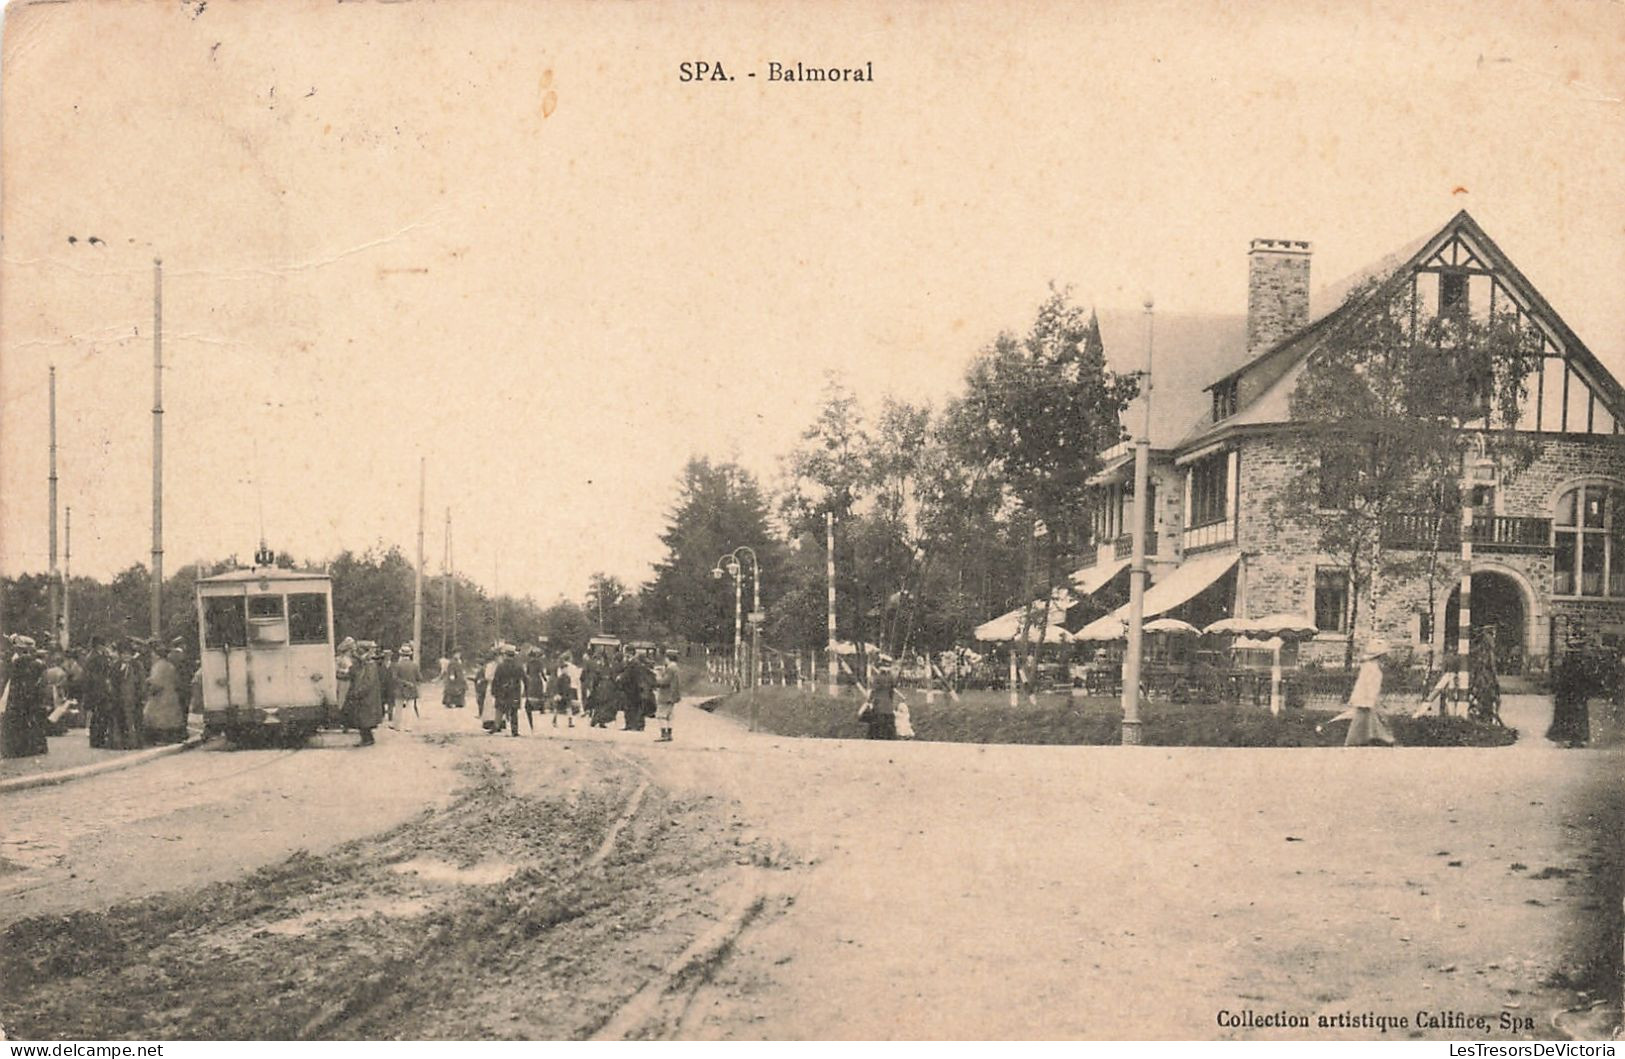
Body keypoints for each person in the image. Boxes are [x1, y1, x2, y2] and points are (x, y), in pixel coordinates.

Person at [1337, 639, 1396, 746]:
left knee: (1371, 723)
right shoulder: (1371, 668)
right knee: (1362, 724)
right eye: (1384, 654)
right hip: (1366, 701)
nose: (1385, 657)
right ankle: (1384, 741)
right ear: (1379, 655)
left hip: (1368, 701)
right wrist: (1369, 701)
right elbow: (1368, 686)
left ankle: (1382, 740)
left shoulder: (1371, 667)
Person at [1, 636, 49, 759]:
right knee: (29, 722)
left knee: (16, 723)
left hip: (16, 696)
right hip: (27, 696)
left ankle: (14, 748)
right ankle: (30, 747)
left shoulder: (16, 662)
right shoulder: (34, 663)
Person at [144, 646, 188, 745]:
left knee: (157, 718)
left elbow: (156, 683)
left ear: (157, 655)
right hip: (171, 694)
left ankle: (161, 739)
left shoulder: (157, 666)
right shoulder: (170, 665)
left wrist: (148, 687)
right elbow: (176, 680)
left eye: (153, 653)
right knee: (172, 718)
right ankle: (173, 737)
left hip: (160, 696)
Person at [82, 637, 120, 749]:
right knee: (100, 716)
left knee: (98, 716)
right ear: (99, 645)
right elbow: (98, 676)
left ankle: (97, 739)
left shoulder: (92, 656)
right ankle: (98, 740)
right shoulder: (97, 658)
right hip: (98, 692)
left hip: (95, 692)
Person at [346, 642, 383, 746]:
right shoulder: (366, 664)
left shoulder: (370, 665)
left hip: (367, 697)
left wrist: (358, 692)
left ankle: (367, 739)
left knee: (365, 719)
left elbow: (368, 682)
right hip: (365, 696)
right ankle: (367, 739)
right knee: (363, 719)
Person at [491, 643, 527, 738]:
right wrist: (526, 690)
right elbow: (525, 678)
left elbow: (496, 679)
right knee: (514, 711)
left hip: (502, 691)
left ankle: (496, 726)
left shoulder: (500, 666)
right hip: (514, 691)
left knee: (499, 709)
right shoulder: (519, 666)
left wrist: (494, 691)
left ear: (505, 655)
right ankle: (514, 730)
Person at [862, 662, 900, 740]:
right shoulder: (891, 678)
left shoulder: (877, 678)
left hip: (878, 704)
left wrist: (869, 701)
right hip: (888, 706)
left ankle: (875, 736)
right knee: (889, 724)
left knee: (876, 723)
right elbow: (891, 692)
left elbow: (874, 690)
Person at [654, 648, 682, 742]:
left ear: (668, 658)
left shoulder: (670, 668)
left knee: (661, 715)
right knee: (670, 715)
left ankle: (664, 734)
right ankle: (669, 734)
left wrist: (657, 676)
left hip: (666, 694)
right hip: (673, 694)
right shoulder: (676, 668)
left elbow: (665, 681)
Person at [393, 644, 421, 727]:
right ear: (410, 655)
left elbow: (394, 678)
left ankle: (396, 726)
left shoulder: (397, 665)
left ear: (401, 655)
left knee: (398, 708)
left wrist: (404, 683)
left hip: (400, 689)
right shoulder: (415, 665)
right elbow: (419, 678)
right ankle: (408, 726)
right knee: (410, 708)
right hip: (411, 688)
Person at [523, 647, 548, 731]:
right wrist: (545, 680)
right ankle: (541, 708)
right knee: (539, 695)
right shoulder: (539, 663)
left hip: (531, 680)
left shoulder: (528, 663)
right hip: (537, 680)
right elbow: (542, 673)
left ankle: (532, 707)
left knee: (531, 695)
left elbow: (527, 673)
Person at [550, 655, 575, 728]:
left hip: (566, 695)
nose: (566, 670)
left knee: (569, 708)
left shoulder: (568, 678)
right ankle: (554, 720)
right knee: (557, 709)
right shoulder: (560, 678)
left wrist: (570, 694)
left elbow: (569, 687)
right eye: (565, 669)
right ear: (562, 670)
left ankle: (570, 722)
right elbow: (557, 687)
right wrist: (557, 694)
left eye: (567, 669)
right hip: (560, 695)